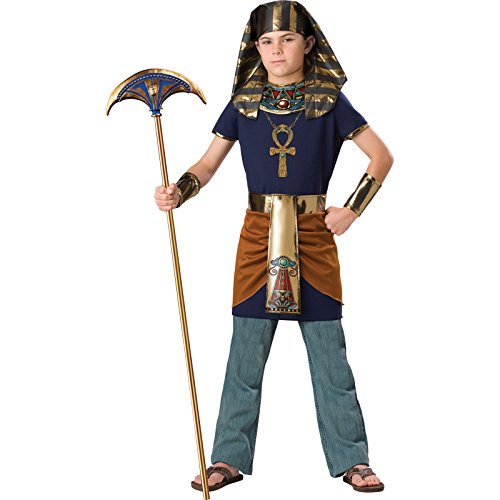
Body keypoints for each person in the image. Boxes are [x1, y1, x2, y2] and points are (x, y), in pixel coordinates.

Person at [155, 0, 393, 493]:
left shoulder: (329, 100)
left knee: (329, 354)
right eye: (267, 41)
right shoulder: (244, 102)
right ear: (255, 47)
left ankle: (352, 458)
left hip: (313, 235)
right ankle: (227, 457)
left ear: (308, 44)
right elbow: (207, 165)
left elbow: (380, 156)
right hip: (257, 235)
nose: (276, 50)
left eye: (287, 39)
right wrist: (179, 189)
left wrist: (351, 209)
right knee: (245, 351)